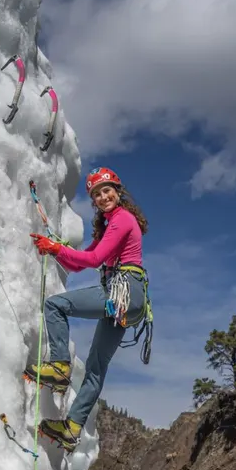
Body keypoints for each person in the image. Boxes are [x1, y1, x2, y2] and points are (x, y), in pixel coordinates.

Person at [23, 167, 150, 452]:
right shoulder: (111, 226)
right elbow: (80, 263)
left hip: (121, 290)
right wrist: (57, 250)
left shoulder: (121, 220)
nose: (103, 197)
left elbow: (93, 259)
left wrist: (55, 249)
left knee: (55, 305)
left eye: (107, 191)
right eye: (96, 194)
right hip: (128, 301)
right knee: (95, 368)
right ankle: (72, 427)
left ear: (118, 191)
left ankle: (58, 367)